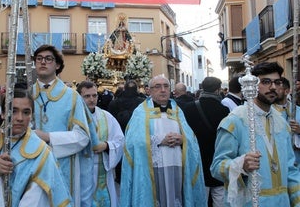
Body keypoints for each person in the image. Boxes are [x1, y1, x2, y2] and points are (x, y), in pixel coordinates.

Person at [0, 88, 72, 207]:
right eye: (13, 111)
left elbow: (44, 198)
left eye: (26, 112)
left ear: (31, 115)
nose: (20, 118)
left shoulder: (42, 153)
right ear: (3, 113)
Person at [210, 62, 300, 206]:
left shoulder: (282, 124)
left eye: (277, 82)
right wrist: (241, 165)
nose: (273, 87)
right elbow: (216, 168)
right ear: (253, 85)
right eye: (265, 82)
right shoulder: (235, 121)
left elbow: (291, 170)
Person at [120, 75, 206, 207]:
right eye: (158, 86)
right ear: (149, 90)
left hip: (177, 165)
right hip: (152, 169)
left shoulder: (178, 111)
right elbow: (132, 142)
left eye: (166, 86)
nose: (163, 90)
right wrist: (159, 140)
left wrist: (183, 139)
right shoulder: (141, 112)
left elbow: (191, 139)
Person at [32, 44, 98, 206]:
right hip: (32, 165)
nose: (43, 62)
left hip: (64, 166)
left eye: (48, 59)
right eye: (39, 59)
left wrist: (49, 137)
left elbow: (83, 136)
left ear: (58, 65)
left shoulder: (71, 97)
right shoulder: (27, 94)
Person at [182, 76, 230, 207]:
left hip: (197, 158)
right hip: (216, 156)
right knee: (219, 196)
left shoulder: (189, 108)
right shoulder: (224, 110)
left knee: (200, 196)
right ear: (217, 90)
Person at [77, 81, 124, 207]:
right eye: (87, 96)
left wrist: (106, 145)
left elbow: (120, 140)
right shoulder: (73, 117)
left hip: (102, 170)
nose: (92, 99)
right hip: (79, 170)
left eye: (94, 95)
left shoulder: (106, 116)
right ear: (79, 97)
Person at [108, 79, 145, 184]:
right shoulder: (142, 103)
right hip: (136, 133)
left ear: (124, 89)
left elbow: (110, 119)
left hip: (119, 132)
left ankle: (119, 176)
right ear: (136, 89)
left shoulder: (114, 102)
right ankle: (136, 175)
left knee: (120, 154)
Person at [273, 77, 300, 166]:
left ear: (286, 91)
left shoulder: (297, 111)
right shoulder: (268, 112)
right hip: (277, 161)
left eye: (278, 89)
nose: (274, 91)